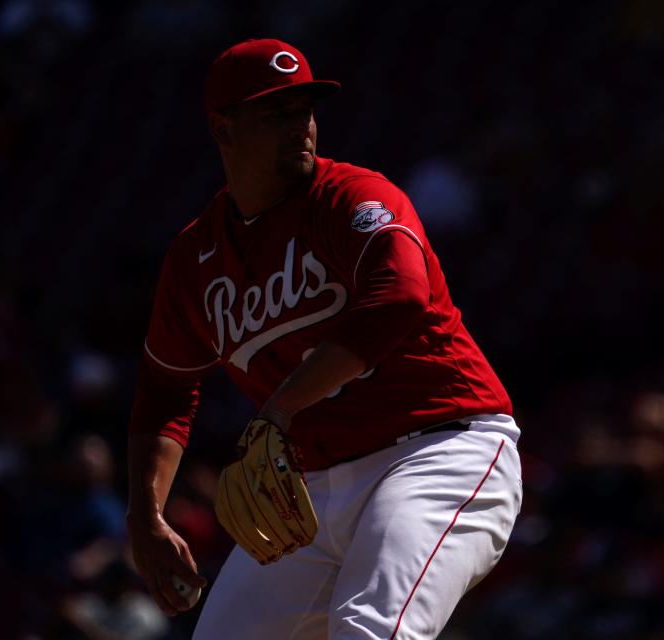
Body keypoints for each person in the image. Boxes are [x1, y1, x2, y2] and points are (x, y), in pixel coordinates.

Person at [125, 37, 523, 639]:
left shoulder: (353, 198)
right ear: (222, 130)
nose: (298, 126)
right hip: (309, 491)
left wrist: (282, 405)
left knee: (372, 628)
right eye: (274, 113)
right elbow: (165, 389)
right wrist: (146, 515)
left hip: (437, 450)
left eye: (303, 109)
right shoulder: (194, 259)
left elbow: (399, 298)